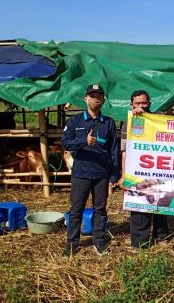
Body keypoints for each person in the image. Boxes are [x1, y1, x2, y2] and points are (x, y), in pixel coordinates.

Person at [61, 84, 120, 257]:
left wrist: (114, 174)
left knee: (100, 209)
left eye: (99, 96)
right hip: (81, 174)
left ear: (103, 100)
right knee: (76, 209)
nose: (96, 98)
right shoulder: (75, 121)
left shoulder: (108, 123)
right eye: (92, 95)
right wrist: (83, 141)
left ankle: (99, 242)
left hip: (102, 174)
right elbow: (65, 143)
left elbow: (114, 150)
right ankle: (72, 244)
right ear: (85, 98)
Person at [118, 90, 169, 248]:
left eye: (144, 103)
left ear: (150, 103)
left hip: (159, 168)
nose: (141, 106)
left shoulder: (158, 119)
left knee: (161, 201)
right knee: (139, 202)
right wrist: (123, 175)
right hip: (138, 170)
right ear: (131, 105)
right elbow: (124, 151)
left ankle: (161, 236)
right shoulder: (129, 122)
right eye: (137, 103)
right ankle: (140, 241)